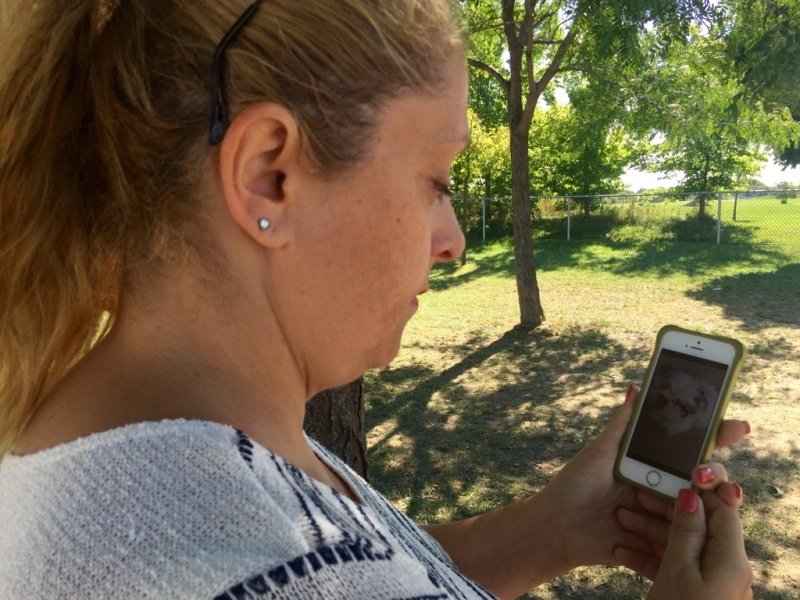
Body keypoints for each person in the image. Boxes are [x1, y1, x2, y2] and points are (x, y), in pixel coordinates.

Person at [0, 1, 753, 598]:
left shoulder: (152, 438)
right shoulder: (226, 560)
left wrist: (556, 531)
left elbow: (364, 566)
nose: (452, 237)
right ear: (270, 175)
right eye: (437, 182)